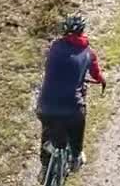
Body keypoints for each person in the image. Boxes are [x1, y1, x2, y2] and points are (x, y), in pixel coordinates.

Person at [36, 13, 106, 175]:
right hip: (72, 108)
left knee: (48, 129)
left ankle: (45, 166)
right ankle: (76, 157)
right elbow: (96, 74)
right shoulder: (88, 53)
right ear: (82, 31)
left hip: (46, 105)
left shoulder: (54, 47)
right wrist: (102, 80)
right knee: (77, 126)